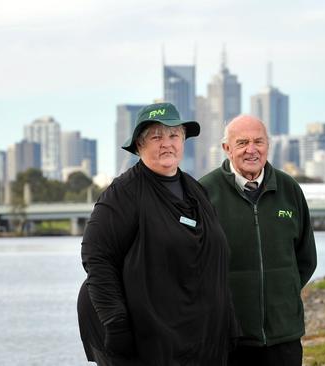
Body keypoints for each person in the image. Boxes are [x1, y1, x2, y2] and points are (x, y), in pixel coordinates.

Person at [77, 102, 238, 366]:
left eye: (174, 135)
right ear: (139, 145)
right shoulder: (123, 193)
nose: (167, 143)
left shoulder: (196, 191)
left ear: (183, 142)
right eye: (156, 137)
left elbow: (213, 259)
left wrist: (227, 318)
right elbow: (96, 258)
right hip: (136, 334)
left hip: (187, 331)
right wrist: (115, 322)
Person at [199, 115, 317, 366]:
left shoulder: (289, 189)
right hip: (228, 337)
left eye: (258, 142)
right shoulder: (205, 192)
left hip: (283, 336)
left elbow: (306, 259)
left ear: (268, 145)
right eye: (242, 143)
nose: (251, 150)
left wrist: (282, 294)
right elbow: (193, 263)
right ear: (226, 148)